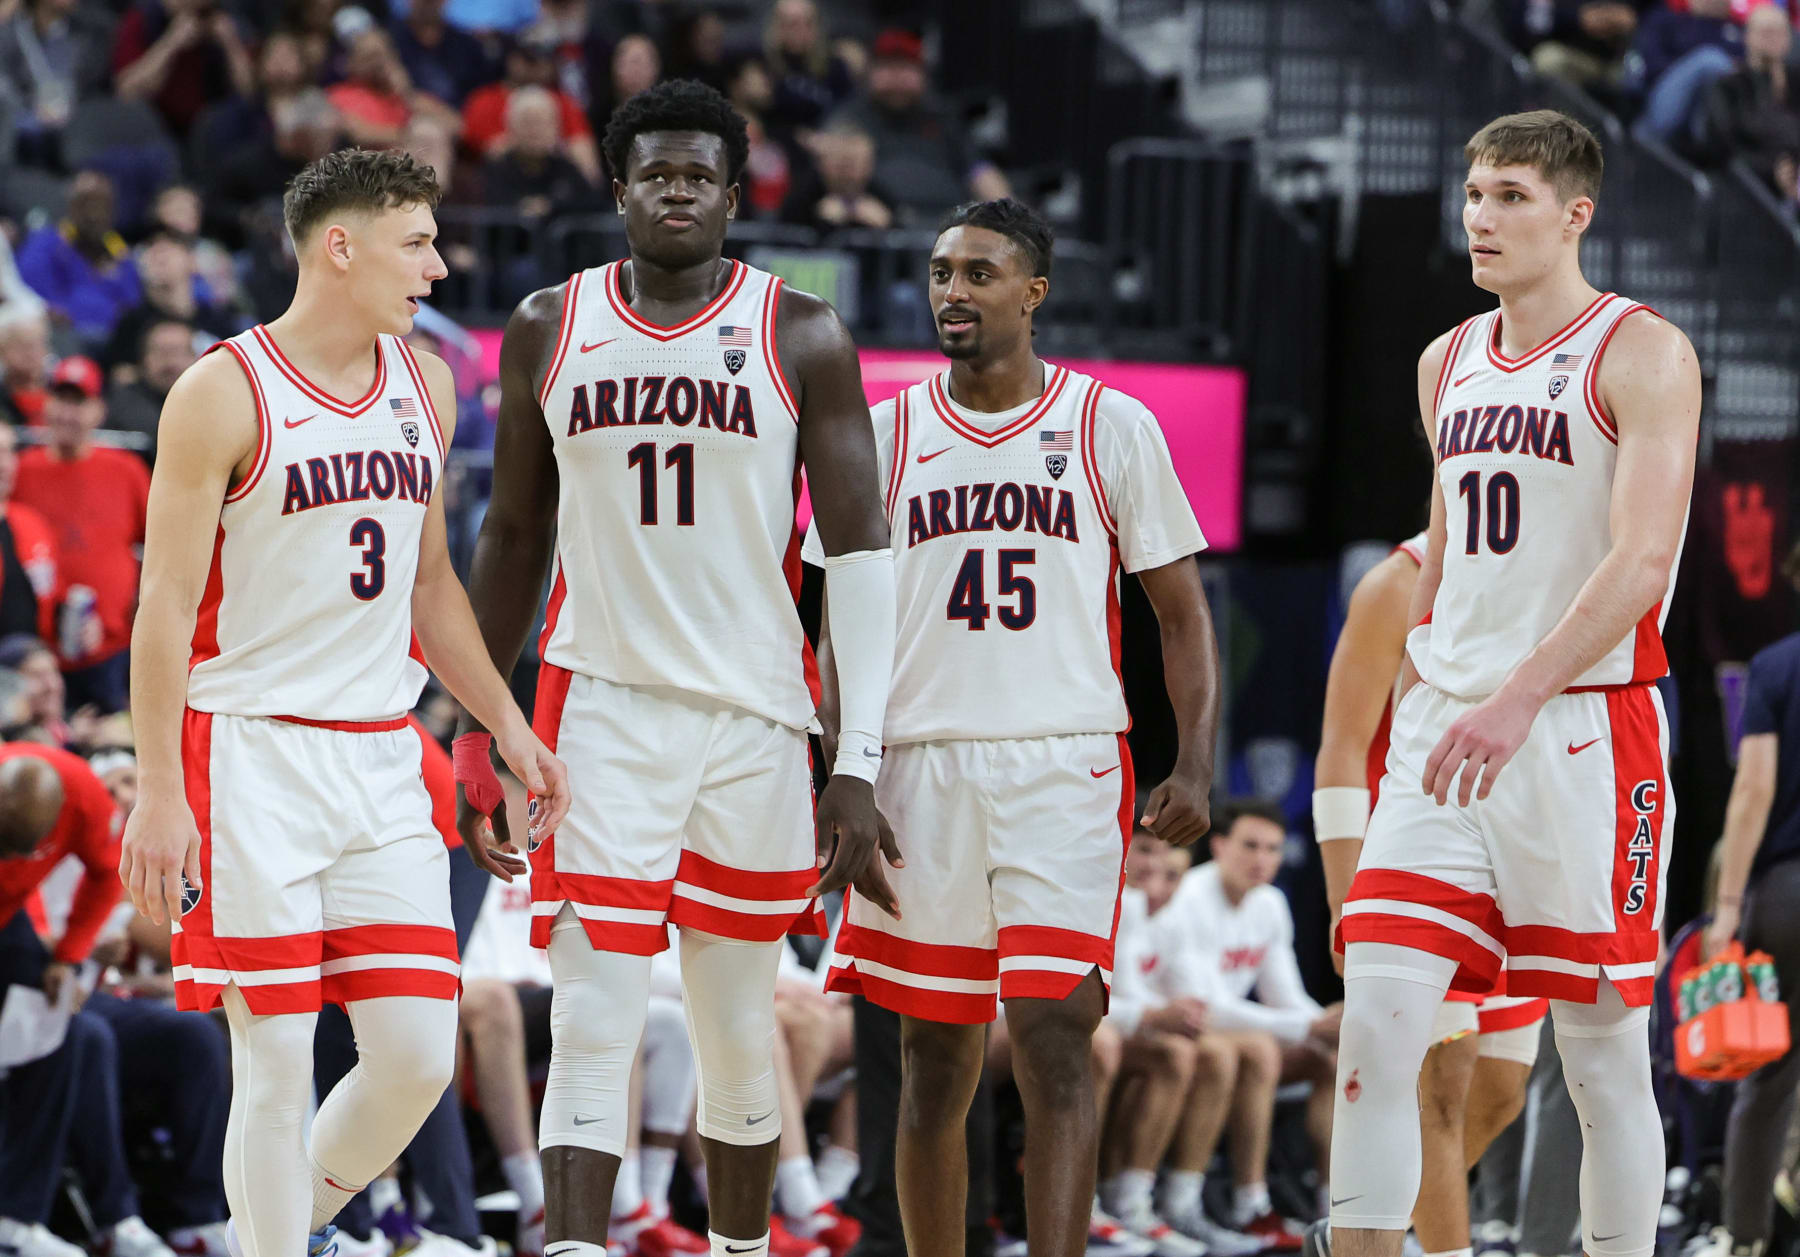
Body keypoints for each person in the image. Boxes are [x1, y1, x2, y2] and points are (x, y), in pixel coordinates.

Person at [451, 79, 894, 1257]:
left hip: (755, 720)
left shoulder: (802, 330)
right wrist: (475, 724)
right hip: (598, 709)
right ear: (621, 189)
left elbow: (861, 560)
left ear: (735, 196)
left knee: (738, 1028)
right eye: (658, 173)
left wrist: (857, 760)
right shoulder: (551, 322)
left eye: (701, 174)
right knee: (594, 1017)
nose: (680, 189)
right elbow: (510, 537)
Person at [117, 147, 570, 1257]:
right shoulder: (221, 391)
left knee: (417, 1056)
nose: (438, 264)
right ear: (341, 244)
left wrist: (506, 723)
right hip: (247, 756)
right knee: (271, 1061)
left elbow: (429, 587)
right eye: (417, 241)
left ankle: (282, 1226)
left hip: (379, 752)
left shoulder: (427, 382)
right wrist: (160, 793)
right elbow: (163, 610)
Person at [808, 196, 1220, 1257]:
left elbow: (1180, 613)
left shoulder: (1110, 424)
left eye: (980, 274)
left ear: (1033, 293)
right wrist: (834, 768)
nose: (954, 291)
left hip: (1066, 762)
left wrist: (1196, 763)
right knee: (933, 1061)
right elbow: (827, 621)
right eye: (942, 272)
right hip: (918, 764)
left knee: (1054, 1040)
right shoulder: (882, 432)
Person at [1320, 110, 1700, 1257]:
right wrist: (1440, 674)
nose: (1479, 217)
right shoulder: (1447, 360)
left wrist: (1522, 690)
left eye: (1511, 197)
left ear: (1576, 214)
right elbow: (1450, 555)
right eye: (1474, 193)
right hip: (1447, 730)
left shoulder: (1643, 350)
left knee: (1598, 1058)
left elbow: (1643, 560)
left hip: (1584, 733)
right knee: (1378, 1032)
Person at [1311, 534, 1544, 1257]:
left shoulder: (1548, 571)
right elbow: (1343, 746)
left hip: (1516, 848)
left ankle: (1362, 1226)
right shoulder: (1396, 582)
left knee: (1502, 1088)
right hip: (1421, 850)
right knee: (1440, 1084)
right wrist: (1344, 895)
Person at [0, 742, 176, 1257]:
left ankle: (14, 1216)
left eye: (25, 849)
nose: (13, 857)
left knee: (55, 1033)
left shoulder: (85, 800)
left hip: (13, 921)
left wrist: (67, 955)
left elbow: (104, 877)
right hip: (20, 923)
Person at [1151, 803, 1338, 1244]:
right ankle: (1244, 1201)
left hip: (1226, 1034)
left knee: (1330, 1058)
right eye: (1250, 845)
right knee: (1258, 1048)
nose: (1262, 859)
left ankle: (1336, 1210)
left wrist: (1329, 1028)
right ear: (1218, 846)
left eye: (1273, 849)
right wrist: (1310, 1027)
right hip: (1172, 1027)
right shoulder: (1190, 896)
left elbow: (1286, 995)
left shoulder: (1270, 903)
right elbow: (1207, 1004)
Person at [1693, 538, 1800, 1257]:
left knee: (1766, 1077)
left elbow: (1753, 791)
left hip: (1786, 893)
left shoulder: (1776, 663)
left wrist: (1726, 906)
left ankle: (1746, 1239)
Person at [1102, 832, 1261, 1257]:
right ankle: (1091, 1204)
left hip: (1107, 1027)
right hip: (1020, 1021)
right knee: (1109, 1047)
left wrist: (1170, 1015)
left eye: (1173, 872)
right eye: (1147, 853)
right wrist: (1156, 1016)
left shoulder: (1144, 910)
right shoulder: (1102, 896)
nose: (1157, 875)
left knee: (1201, 1052)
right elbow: (1072, 1000)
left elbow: (1188, 998)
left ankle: (1161, 1201)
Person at [13, 355, 149, 713]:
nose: (67, 413)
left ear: (98, 411)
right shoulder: (21, 470)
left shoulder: (125, 469)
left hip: (113, 646)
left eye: (79, 402)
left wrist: (144, 605)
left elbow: (160, 544)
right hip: (39, 654)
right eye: (60, 399)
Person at [828, 31, 1010, 227]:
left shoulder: (942, 117)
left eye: (905, 68)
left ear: (922, 74)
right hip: (880, 227)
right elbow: (834, 174)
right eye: (888, 67)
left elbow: (979, 171)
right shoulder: (851, 118)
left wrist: (1010, 216)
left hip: (950, 225)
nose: (897, 78)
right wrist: (851, 206)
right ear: (870, 73)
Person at [15, 170, 143, 348]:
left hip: (113, 339)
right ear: (71, 206)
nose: (94, 213)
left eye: (102, 204)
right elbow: (32, 293)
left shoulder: (118, 250)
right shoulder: (46, 243)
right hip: (64, 335)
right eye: (86, 203)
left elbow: (132, 302)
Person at [108, 317, 201, 467]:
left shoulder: (208, 402)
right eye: (161, 353)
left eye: (178, 352)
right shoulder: (124, 403)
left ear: (195, 358)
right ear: (144, 359)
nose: (171, 363)